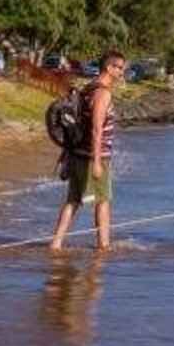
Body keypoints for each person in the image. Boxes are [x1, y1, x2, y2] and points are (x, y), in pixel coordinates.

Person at [48, 50, 124, 252]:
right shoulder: (102, 93)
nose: (121, 72)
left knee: (73, 199)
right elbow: (96, 128)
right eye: (119, 67)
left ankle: (56, 243)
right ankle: (103, 245)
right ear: (109, 67)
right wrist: (98, 162)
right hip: (92, 156)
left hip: (79, 153)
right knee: (103, 201)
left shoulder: (88, 89)